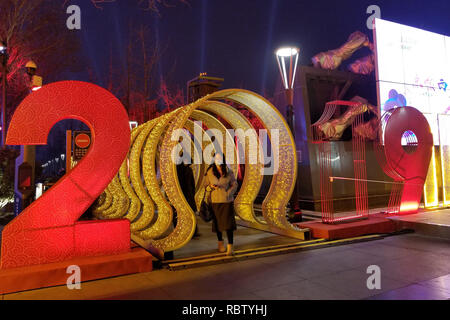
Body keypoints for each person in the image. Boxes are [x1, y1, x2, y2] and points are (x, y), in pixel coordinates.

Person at [203, 153, 238, 255]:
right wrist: (211, 187)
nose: (218, 159)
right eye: (216, 158)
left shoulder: (228, 171)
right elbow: (205, 187)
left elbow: (235, 184)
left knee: (228, 225)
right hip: (215, 201)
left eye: (220, 158)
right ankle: (220, 244)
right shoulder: (209, 172)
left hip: (227, 201)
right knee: (218, 224)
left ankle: (230, 246)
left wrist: (228, 193)